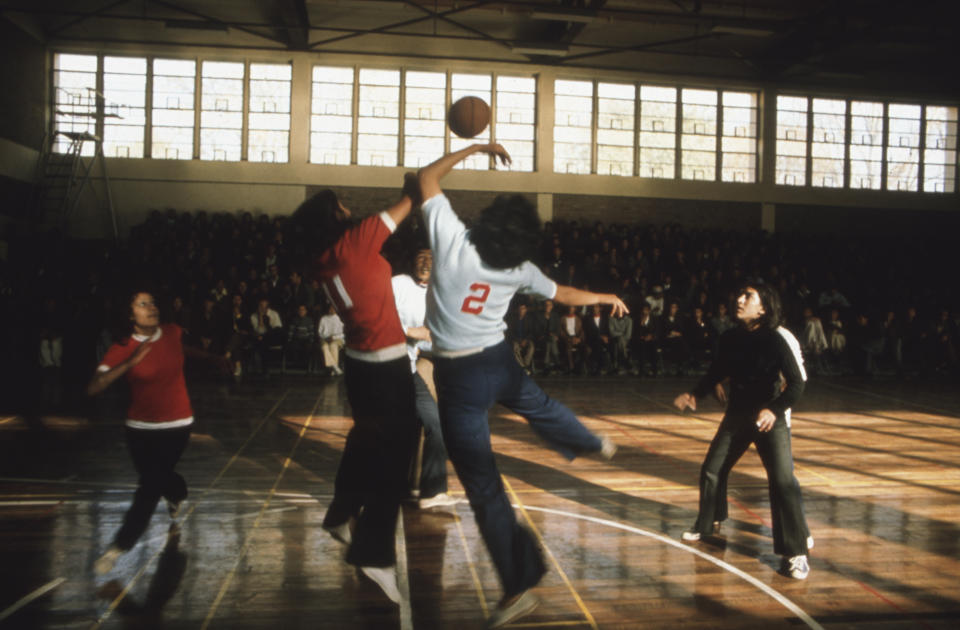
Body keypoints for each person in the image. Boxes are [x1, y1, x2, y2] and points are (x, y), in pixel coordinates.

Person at [416, 143, 626, 628]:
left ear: (487, 221)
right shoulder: (520, 268)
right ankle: (590, 441)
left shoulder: (451, 238)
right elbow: (564, 292)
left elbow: (427, 176)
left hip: (459, 377)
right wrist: (602, 297)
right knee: (537, 403)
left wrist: (475, 146)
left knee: (485, 489)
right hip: (498, 361)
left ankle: (517, 588)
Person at [290, 182, 419, 605]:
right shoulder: (355, 243)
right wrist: (474, 147)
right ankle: (373, 554)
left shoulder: (321, 259)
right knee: (395, 459)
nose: (349, 208)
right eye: (342, 205)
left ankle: (341, 512)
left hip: (360, 363)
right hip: (385, 363)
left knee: (365, 439)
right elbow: (415, 197)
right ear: (335, 218)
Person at [673, 284, 812, 580]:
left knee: (783, 482)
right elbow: (717, 372)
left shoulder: (775, 339)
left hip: (769, 420)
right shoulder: (731, 337)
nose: (739, 299)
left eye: (748, 297)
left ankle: (796, 552)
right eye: (739, 294)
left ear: (762, 308)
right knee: (712, 469)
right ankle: (707, 521)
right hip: (737, 415)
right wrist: (696, 394)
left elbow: (797, 383)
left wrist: (773, 409)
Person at [88, 291, 195, 575]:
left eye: (153, 302)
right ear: (129, 314)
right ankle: (178, 493)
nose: (152, 307)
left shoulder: (173, 332)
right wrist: (130, 362)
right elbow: (94, 387)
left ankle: (117, 547)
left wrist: (216, 356)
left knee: (148, 486)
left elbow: (187, 350)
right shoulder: (123, 346)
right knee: (159, 478)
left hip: (178, 425)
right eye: (142, 304)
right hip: (139, 430)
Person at [391, 249, 456, 510]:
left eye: (431, 258)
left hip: (411, 368)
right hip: (386, 370)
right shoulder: (398, 284)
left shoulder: (442, 293)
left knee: (436, 426)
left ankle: (431, 489)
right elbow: (376, 320)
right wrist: (409, 332)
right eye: (420, 257)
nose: (426, 262)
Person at [316, 303, 345, 375]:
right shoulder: (323, 318)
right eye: (331, 308)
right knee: (324, 347)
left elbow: (343, 333)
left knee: (333, 346)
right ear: (328, 309)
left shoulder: (339, 319)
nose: (332, 310)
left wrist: (333, 337)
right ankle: (335, 367)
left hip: (337, 339)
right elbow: (319, 332)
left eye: (333, 308)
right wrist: (326, 337)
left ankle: (333, 369)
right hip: (325, 338)